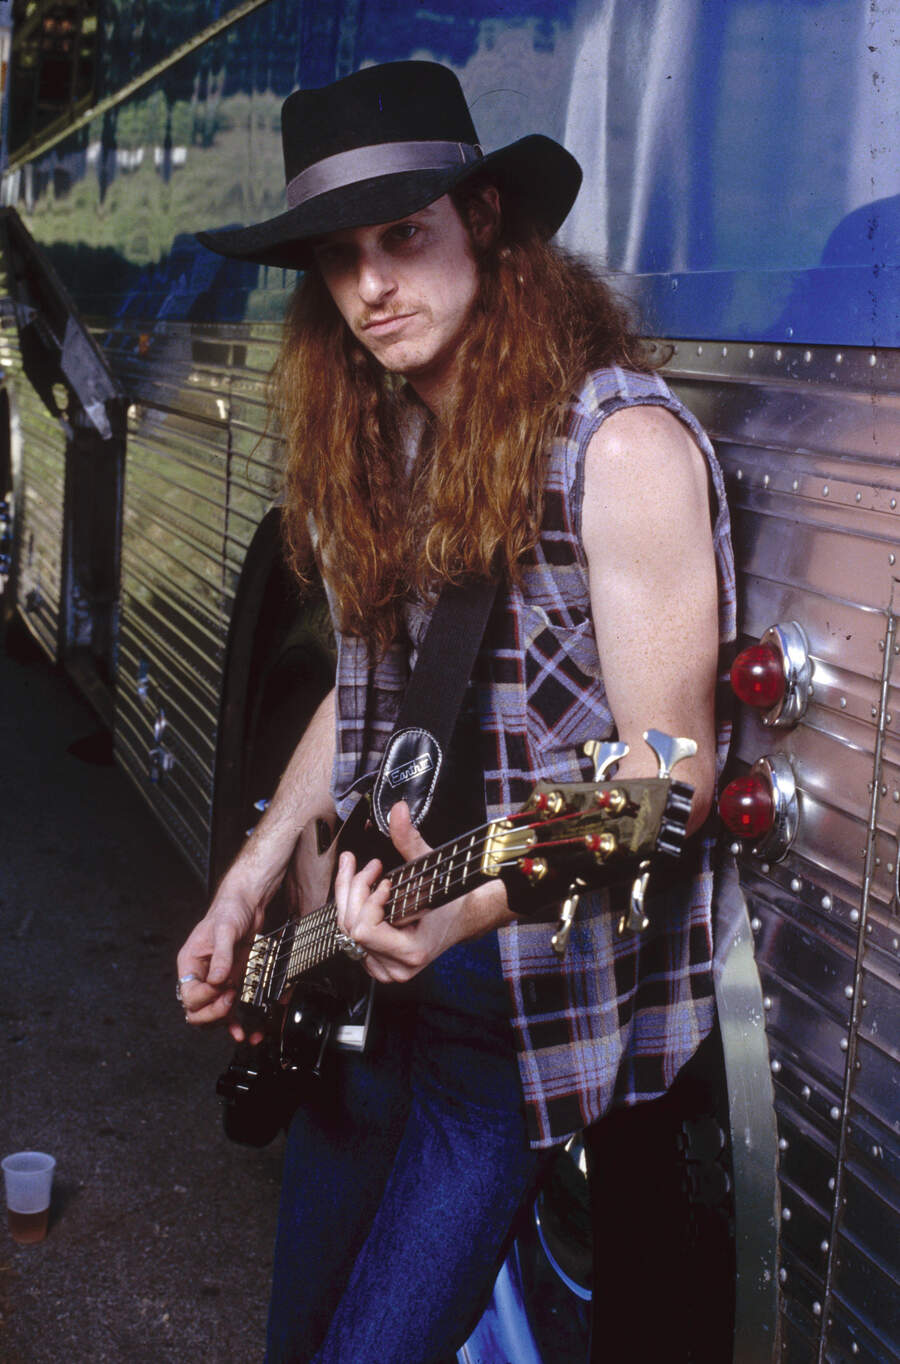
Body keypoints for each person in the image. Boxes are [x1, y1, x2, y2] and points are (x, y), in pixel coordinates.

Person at [176, 60, 735, 1363]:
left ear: (483, 222)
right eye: (340, 255)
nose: (372, 285)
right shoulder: (393, 447)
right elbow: (358, 702)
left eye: (405, 236)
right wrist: (251, 879)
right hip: (368, 955)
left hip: (511, 999)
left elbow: (663, 786)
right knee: (297, 1334)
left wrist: (466, 907)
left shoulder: (623, 452)